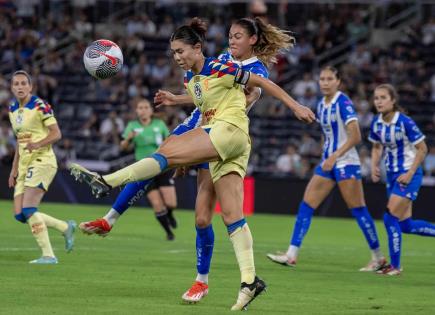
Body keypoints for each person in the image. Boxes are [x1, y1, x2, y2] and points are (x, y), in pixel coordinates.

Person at [70, 17, 315, 310]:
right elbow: (204, 87)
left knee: (165, 158)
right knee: (209, 216)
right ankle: (244, 280)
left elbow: (249, 90)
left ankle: (107, 185)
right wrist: (177, 99)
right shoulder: (219, 62)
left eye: (237, 36)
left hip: (222, 132)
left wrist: (294, 105)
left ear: (252, 40)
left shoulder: (250, 69)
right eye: (229, 35)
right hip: (208, 132)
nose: (231, 41)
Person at [267, 66, 386, 271]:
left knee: (358, 210)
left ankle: (378, 258)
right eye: (322, 78)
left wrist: (334, 156)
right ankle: (291, 254)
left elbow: (355, 137)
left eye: (329, 78)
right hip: (328, 162)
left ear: (338, 81)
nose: (324, 82)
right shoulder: (322, 104)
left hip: (346, 163)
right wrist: (326, 153)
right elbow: (329, 135)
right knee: (306, 205)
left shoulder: (343, 102)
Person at [80, 99, 177, 240]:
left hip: (162, 166)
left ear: (151, 110)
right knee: (157, 204)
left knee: (171, 203)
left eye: (145, 107)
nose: (143, 110)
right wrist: (128, 139)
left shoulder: (159, 124)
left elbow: (169, 142)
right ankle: (169, 233)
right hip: (143, 169)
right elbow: (123, 147)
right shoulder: (132, 126)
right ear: (137, 111)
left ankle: (170, 214)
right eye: (140, 108)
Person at [8, 70, 76, 264]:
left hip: (42, 160)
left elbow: (57, 134)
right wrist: (14, 169)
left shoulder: (40, 106)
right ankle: (65, 227)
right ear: (12, 88)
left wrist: (38, 144)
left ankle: (49, 255)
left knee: (29, 209)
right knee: (20, 215)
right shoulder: (13, 109)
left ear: (30, 87)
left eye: (23, 83)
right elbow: (19, 142)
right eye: (16, 84)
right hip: (23, 165)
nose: (20, 87)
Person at [369, 84, 435, 275]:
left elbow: (423, 148)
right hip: (392, 176)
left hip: (408, 174)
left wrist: (410, 173)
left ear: (393, 100)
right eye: (376, 98)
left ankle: (395, 266)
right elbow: (376, 147)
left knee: (390, 218)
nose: (379, 102)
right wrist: (374, 166)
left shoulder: (404, 122)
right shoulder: (377, 122)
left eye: (383, 98)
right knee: (405, 225)